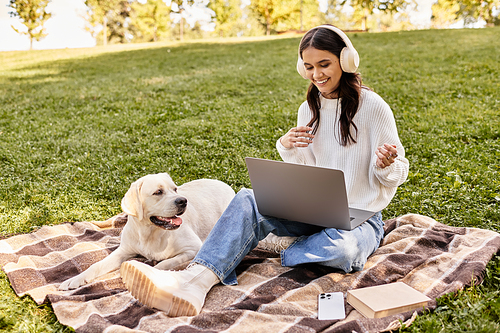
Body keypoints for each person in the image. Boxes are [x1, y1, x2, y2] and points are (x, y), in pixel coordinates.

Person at [119, 25, 410, 317]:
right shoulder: (308, 110)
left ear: (346, 61)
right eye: (309, 67)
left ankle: (273, 245)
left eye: (324, 64)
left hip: (360, 218)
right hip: (315, 210)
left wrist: (385, 166)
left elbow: (400, 171)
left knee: (345, 251)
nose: (317, 75)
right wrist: (287, 147)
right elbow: (306, 176)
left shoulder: (373, 107)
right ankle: (193, 282)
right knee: (248, 200)